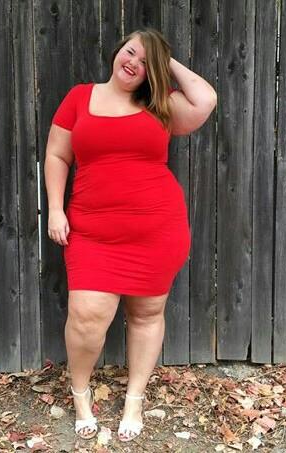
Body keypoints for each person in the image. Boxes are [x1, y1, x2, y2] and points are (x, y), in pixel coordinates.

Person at [44, 27, 217, 442]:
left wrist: (162, 58)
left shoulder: (160, 104)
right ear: (116, 51)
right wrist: (55, 208)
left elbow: (205, 99)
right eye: (130, 51)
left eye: (144, 61)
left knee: (146, 315)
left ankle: (134, 399)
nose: (133, 62)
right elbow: (56, 154)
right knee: (87, 318)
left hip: (156, 230)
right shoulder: (79, 97)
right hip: (92, 231)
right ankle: (80, 394)